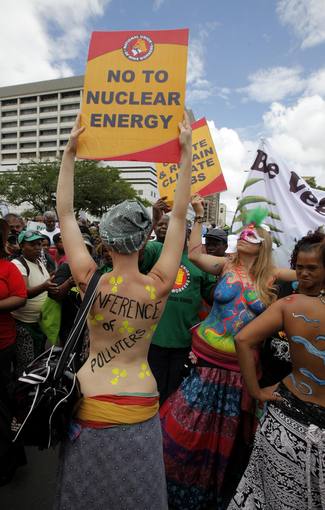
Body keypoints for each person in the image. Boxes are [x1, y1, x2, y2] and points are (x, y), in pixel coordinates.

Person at [54, 112, 192, 510]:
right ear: (146, 237)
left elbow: (65, 214)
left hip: (92, 399)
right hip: (142, 399)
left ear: (106, 240)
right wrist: (184, 157)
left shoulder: (87, 277)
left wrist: (69, 154)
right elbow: (180, 215)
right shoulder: (160, 283)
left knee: (87, 494)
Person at [160, 197, 296, 510]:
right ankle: (171, 486)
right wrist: (196, 216)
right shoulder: (225, 264)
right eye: (245, 231)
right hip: (204, 362)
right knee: (185, 423)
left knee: (226, 437)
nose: (247, 234)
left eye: (254, 232)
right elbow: (194, 254)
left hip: (239, 372)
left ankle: (213, 494)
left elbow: (310, 274)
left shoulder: (272, 276)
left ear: (263, 244)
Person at [228, 234, 325, 510]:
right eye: (300, 267)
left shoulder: (291, 305)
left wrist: (256, 390)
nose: (304, 273)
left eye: (313, 268)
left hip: (285, 422)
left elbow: (242, 339)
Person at [140, 199, 216, 405]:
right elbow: (136, 256)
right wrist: (152, 223)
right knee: (151, 393)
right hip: (152, 340)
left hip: (185, 343)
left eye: (182, 226)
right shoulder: (157, 250)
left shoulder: (199, 260)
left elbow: (214, 295)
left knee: (175, 395)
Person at [0, 219, 27, 485]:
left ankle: (8, 459)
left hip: (2, 345)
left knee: (2, 404)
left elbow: (20, 297)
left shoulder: (8, 268)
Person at [11, 230, 58, 375]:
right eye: (32, 244)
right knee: (26, 364)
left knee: (37, 360)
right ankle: (21, 394)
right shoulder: (18, 264)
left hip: (39, 322)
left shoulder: (38, 262)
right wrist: (44, 286)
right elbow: (23, 293)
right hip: (24, 325)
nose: (38, 247)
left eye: (39, 244)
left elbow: (41, 283)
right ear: (21, 246)